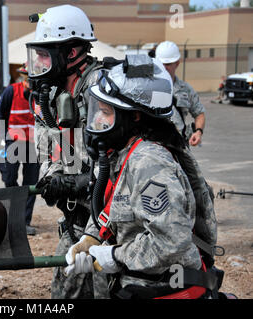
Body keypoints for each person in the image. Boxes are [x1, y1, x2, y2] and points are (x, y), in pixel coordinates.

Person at [64, 55, 221, 299]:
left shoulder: (148, 162)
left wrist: (115, 256)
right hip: (138, 285)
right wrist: (91, 239)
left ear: (135, 116)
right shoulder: (123, 153)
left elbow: (170, 241)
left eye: (105, 112)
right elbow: (112, 203)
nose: (96, 120)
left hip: (163, 288)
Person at [25, 4, 109, 298]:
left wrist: (84, 182)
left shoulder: (104, 92)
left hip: (112, 224)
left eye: (45, 54)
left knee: (106, 291)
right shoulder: (55, 95)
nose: (37, 62)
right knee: (63, 293)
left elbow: (122, 168)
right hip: (77, 220)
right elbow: (49, 149)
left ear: (71, 53)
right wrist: (53, 178)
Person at [0, 64, 40, 236]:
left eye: (33, 77)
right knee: (9, 177)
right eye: (27, 76)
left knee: (32, 183)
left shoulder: (41, 95)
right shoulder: (11, 91)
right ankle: (12, 216)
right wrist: (5, 137)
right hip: (13, 142)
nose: (30, 80)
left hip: (33, 145)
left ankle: (23, 222)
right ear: (22, 77)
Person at [155, 41, 206, 147]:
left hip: (178, 145)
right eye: (161, 64)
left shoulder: (185, 90)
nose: (164, 68)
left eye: (168, 64)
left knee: (192, 164)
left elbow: (199, 113)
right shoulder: (147, 87)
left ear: (177, 63)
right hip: (154, 146)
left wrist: (198, 132)